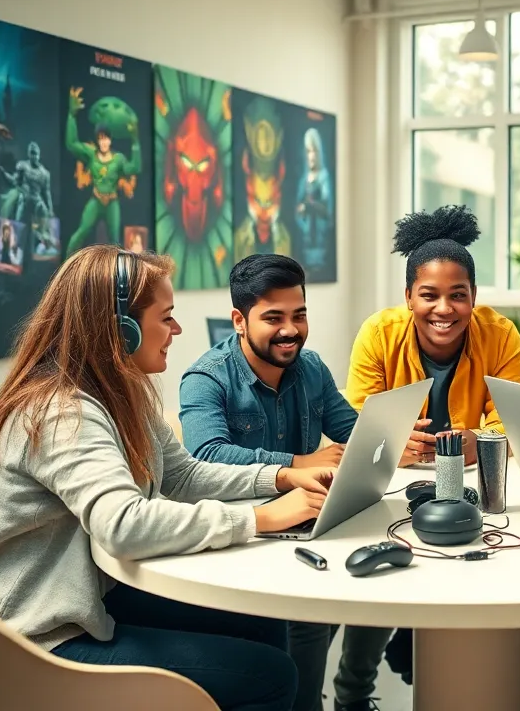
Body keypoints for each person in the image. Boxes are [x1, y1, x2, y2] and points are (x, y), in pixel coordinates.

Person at [0, 245, 338, 711]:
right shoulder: (62, 413)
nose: (177, 329)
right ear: (121, 329)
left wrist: (279, 478)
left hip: (90, 599)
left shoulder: (124, 390)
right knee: (271, 677)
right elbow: (123, 525)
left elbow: (182, 473)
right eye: (167, 317)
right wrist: (259, 519)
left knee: (265, 619)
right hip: (32, 633)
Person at [332, 204, 520, 711]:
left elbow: (514, 417)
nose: (444, 309)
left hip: (471, 482)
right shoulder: (379, 333)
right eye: (429, 295)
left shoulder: (500, 334)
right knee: (381, 568)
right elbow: (355, 421)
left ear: (473, 298)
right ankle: (353, 695)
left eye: (457, 295)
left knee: (476, 564)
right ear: (408, 298)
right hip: (396, 483)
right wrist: (393, 444)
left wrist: (477, 439)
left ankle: (439, 659)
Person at [179, 253, 357, 711]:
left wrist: (390, 440)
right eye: (273, 318)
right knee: (308, 619)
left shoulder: (311, 367)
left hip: (306, 530)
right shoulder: (205, 378)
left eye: (299, 315)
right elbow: (207, 458)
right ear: (239, 320)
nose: (290, 330)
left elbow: (350, 431)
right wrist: (299, 461)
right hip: (242, 538)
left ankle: (316, 698)